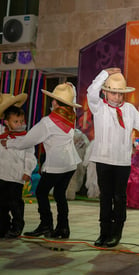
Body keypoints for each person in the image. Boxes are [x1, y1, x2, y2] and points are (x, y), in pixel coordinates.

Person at [2, 83, 82, 239]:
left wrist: (9, 143)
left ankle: (46, 225)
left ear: (54, 102)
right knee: (60, 195)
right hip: (70, 163)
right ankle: (63, 228)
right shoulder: (71, 116)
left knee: (41, 192)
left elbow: (27, 141)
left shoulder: (49, 122)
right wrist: (70, 87)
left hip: (57, 165)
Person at [87, 68, 139, 248]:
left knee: (119, 197)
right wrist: (104, 74)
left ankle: (117, 232)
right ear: (105, 92)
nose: (117, 97)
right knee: (105, 196)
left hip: (122, 161)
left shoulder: (129, 109)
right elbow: (91, 92)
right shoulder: (99, 107)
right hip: (103, 159)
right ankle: (103, 232)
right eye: (113, 93)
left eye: (120, 94)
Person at [0, 93, 37, 238]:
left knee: (15, 203)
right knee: (1, 204)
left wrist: (27, 170)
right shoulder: (2, 133)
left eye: (22, 121)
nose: (20, 124)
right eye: (16, 121)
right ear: (7, 122)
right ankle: (3, 226)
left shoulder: (26, 137)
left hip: (16, 176)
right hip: (2, 175)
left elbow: (30, 156)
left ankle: (17, 226)